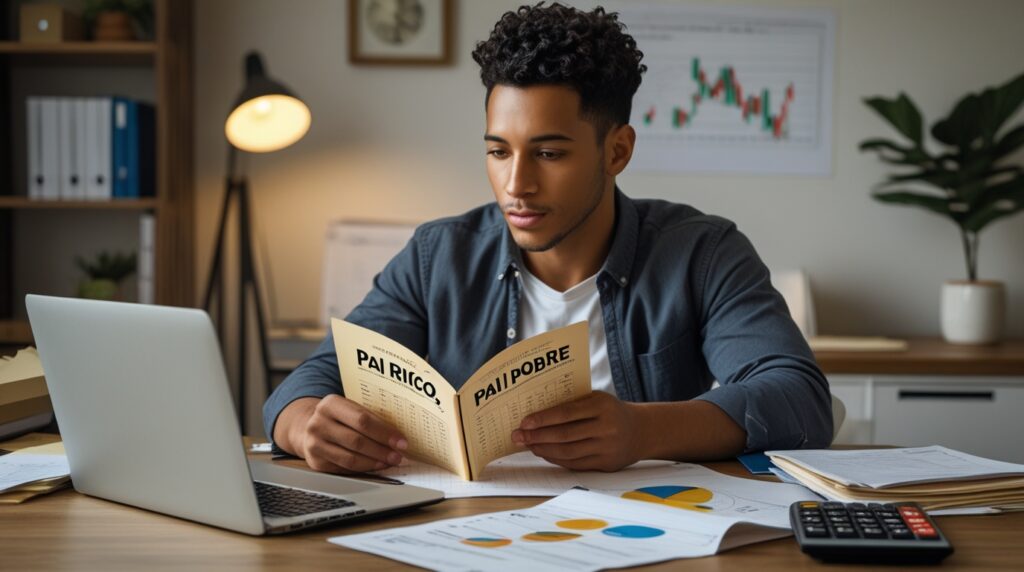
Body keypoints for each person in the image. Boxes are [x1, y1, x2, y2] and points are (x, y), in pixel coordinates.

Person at [263, 3, 832, 475]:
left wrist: (642, 430)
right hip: (472, 539)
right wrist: (307, 425)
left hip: (654, 537)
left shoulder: (703, 254)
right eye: (498, 151)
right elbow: (307, 384)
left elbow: (799, 398)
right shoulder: (438, 256)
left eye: (550, 153)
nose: (516, 185)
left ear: (617, 151)